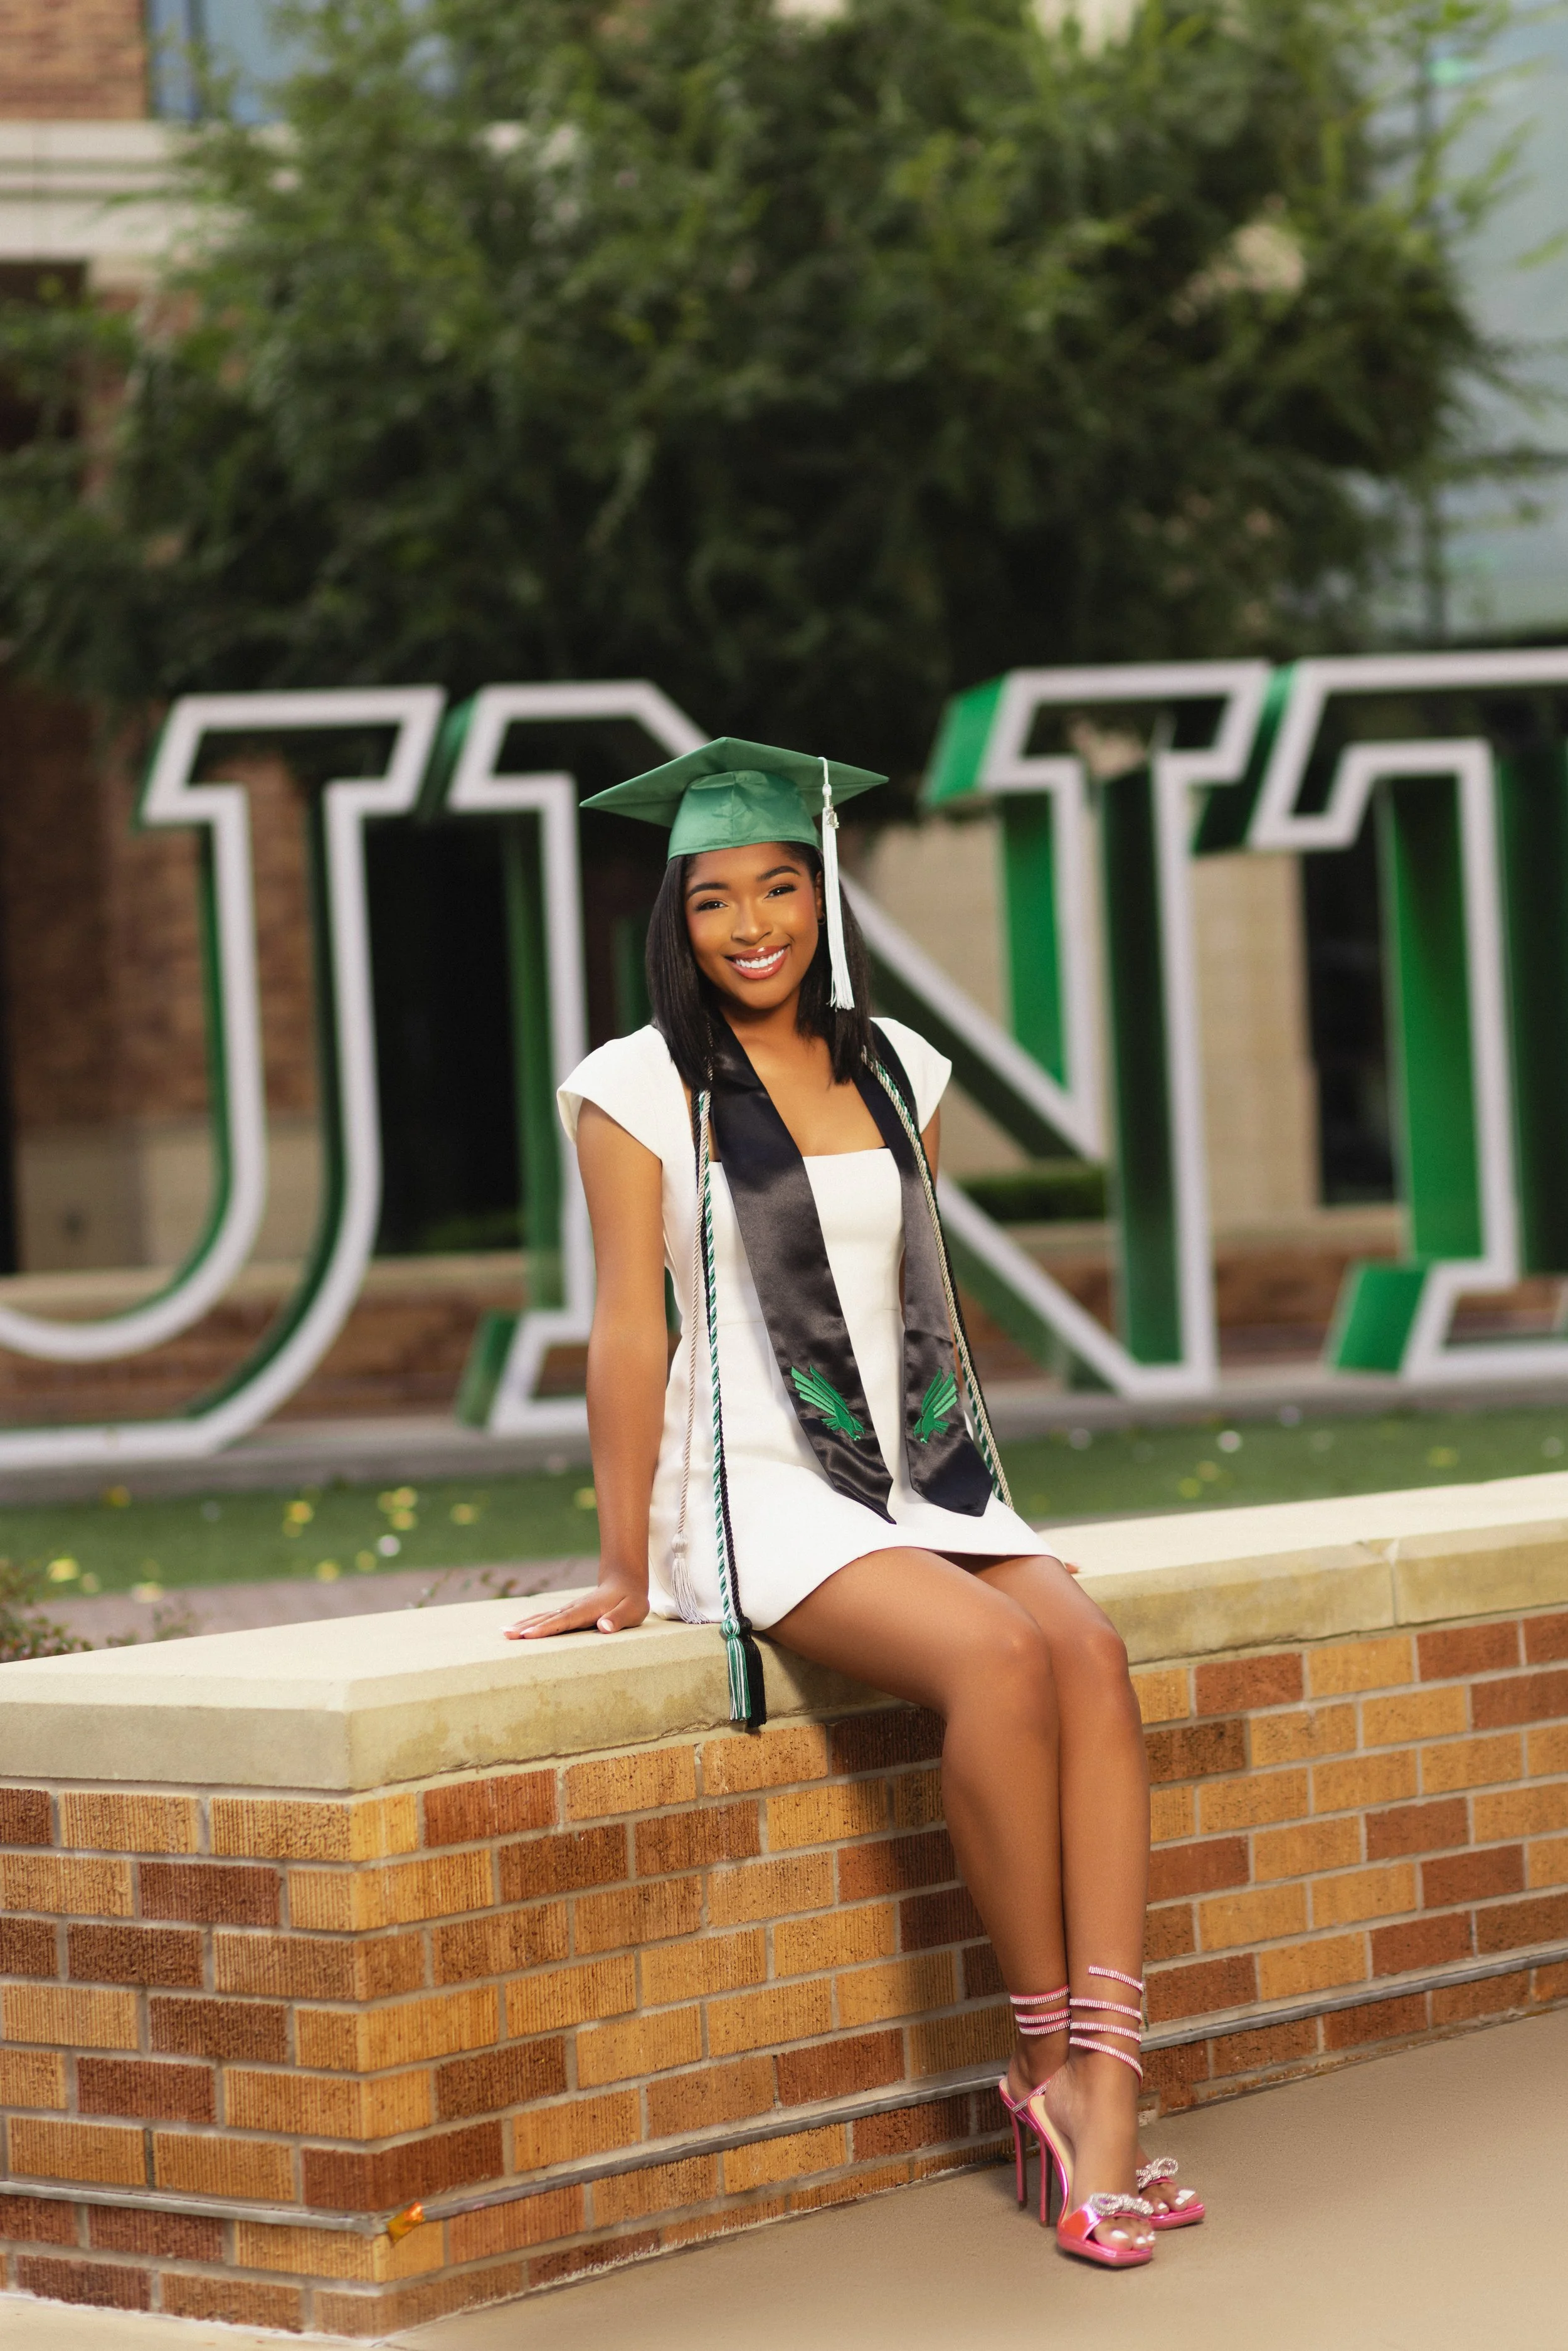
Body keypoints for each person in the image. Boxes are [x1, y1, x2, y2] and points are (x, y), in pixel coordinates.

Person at [506, 738, 1202, 2266]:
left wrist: (988, 1513)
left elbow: (913, 1302)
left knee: (1080, 1643)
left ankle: (1110, 2079)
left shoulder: (896, 1064)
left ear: (820, 892)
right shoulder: (635, 1082)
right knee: (998, 1660)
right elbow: (629, 1324)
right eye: (712, 900)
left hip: (914, 1477)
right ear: (673, 922)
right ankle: (1038, 2065)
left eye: (778, 886)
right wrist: (623, 1561)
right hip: (761, 1487)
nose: (751, 923)